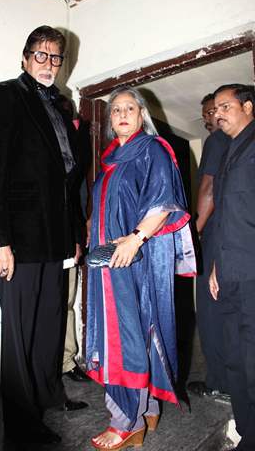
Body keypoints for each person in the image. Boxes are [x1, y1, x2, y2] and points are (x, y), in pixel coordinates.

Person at [0, 26, 87, 445]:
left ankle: (48, 393)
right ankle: (21, 421)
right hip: (18, 239)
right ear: (25, 58)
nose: (48, 64)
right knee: (21, 330)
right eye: (40, 56)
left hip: (55, 238)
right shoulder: (8, 94)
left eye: (55, 57)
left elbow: (66, 180)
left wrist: (73, 235)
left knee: (50, 322)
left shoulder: (60, 108)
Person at [86, 86, 196, 450]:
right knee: (132, 334)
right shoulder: (110, 161)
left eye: (129, 108)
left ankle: (125, 420)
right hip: (108, 262)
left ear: (141, 114)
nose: (121, 114)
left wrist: (135, 239)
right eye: (115, 109)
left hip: (132, 259)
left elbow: (163, 203)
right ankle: (145, 407)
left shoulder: (152, 150)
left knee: (124, 338)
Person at [209, 84, 255, 451]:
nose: (217, 113)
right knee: (235, 360)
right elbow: (226, 217)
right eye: (215, 108)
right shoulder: (227, 152)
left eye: (225, 106)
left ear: (248, 107)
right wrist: (214, 269)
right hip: (228, 273)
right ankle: (247, 433)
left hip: (253, 273)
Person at [187, 94, 230, 399]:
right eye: (204, 113)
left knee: (210, 311)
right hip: (233, 238)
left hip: (213, 236)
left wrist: (192, 234)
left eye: (212, 111)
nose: (208, 118)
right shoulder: (239, 142)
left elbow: (209, 188)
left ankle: (218, 382)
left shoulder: (216, 142)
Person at [57, 94, 92, 382]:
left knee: (67, 301)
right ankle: (46, 364)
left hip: (69, 235)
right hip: (39, 238)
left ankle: (67, 361)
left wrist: (79, 236)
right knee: (46, 304)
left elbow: (79, 195)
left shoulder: (77, 147)